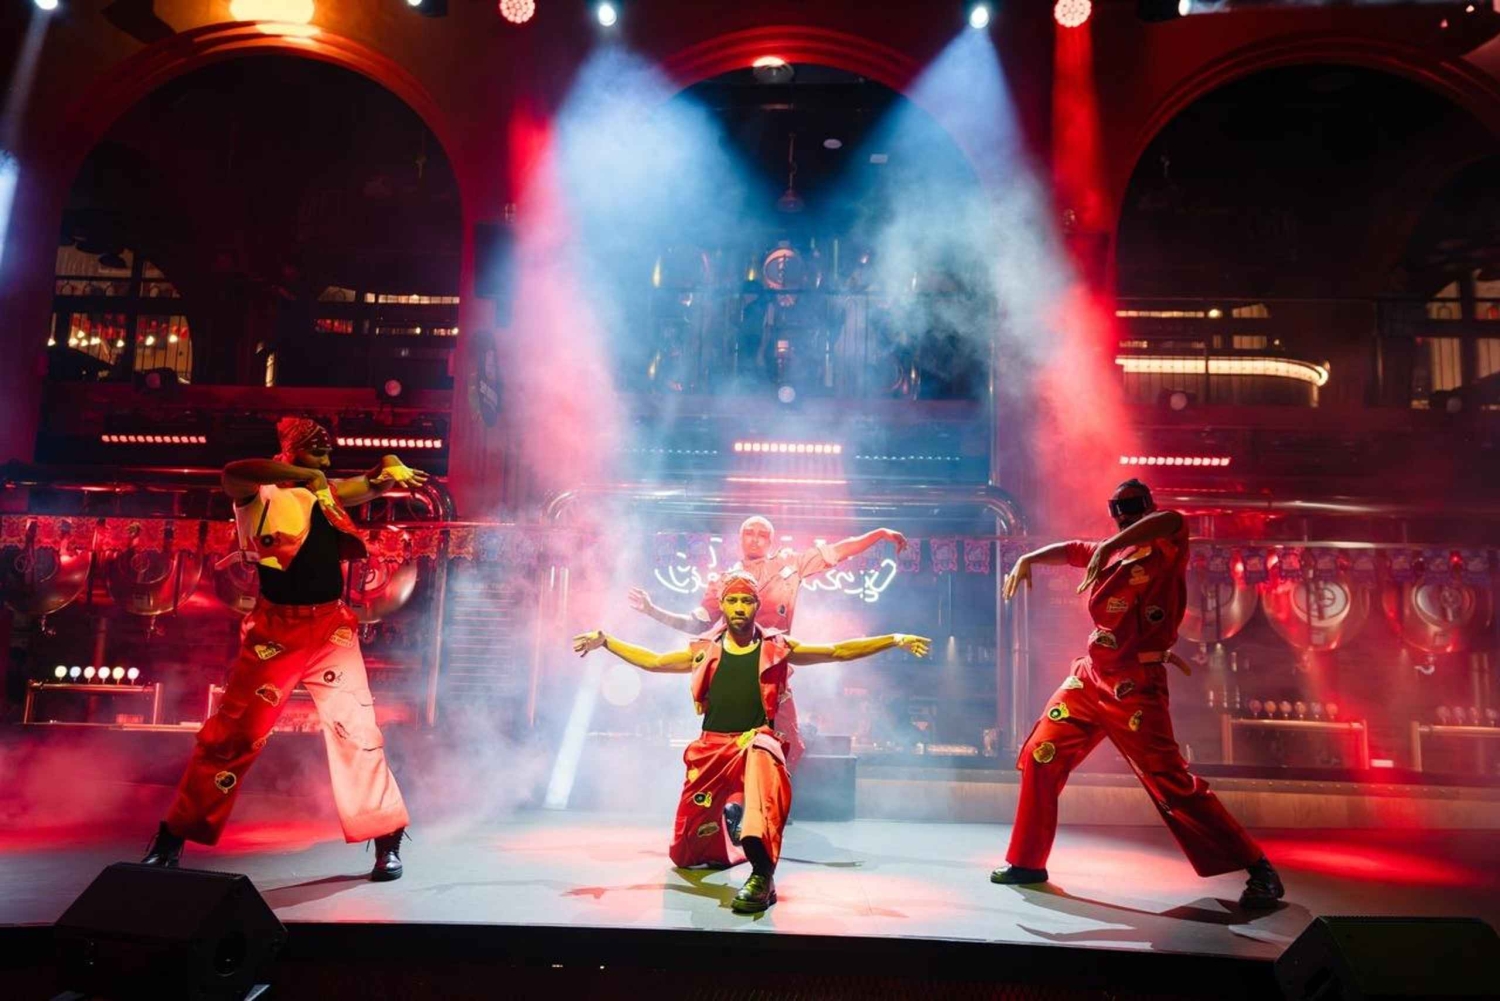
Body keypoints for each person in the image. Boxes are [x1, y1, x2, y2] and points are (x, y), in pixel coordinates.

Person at [141, 417, 423, 881]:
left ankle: (387, 838)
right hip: (276, 632)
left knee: (357, 732)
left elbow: (373, 482)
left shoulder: (327, 491)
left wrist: (389, 463)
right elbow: (233, 472)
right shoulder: (258, 493)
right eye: (318, 449)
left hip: (331, 629)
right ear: (292, 451)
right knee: (233, 735)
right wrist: (306, 475)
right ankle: (173, 836)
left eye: (328, 450)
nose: (327, 458)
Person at [992, 479, 1284, 909]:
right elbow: (1073, 549)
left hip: (1137, 685)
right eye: (1119, 513)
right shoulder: (1115, 555)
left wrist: (1111, 546)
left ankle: (1259, 869)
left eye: (1132, 511)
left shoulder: (1167, 545)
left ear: (1146, 509)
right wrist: (1029, 558)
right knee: (1041, 754)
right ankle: (1027, 862)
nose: (1124, 520)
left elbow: (1168, 521)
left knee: (1170, 780)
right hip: (1090, 677)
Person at [574, 570, 930, 913]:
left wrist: (893, 639)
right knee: (685, 854)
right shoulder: (704, 650)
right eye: (733, 601)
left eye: (746, 600)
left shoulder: (777, 646)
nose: (740, 607)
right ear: (723, 606)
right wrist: (606, 641)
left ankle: (762, 875)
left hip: (755, 742)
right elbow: (653, 661)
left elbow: (837, 651)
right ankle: (726, 834)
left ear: (757, 605)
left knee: (763, 770)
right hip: (711, 749)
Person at [628, 515, 907, 769]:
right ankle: (734, 800)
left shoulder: (789, 565)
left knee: (786, 744)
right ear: (740, 539)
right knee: (728, 746)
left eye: (763, 534)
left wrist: (879, 534)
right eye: (750, 533)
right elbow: (696, 623)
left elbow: (839, 550)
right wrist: (653, 611)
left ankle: (768, 798)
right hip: (733, 669)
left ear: (771, 541)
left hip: (774, 667)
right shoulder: (724, 582)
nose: (756, 539)